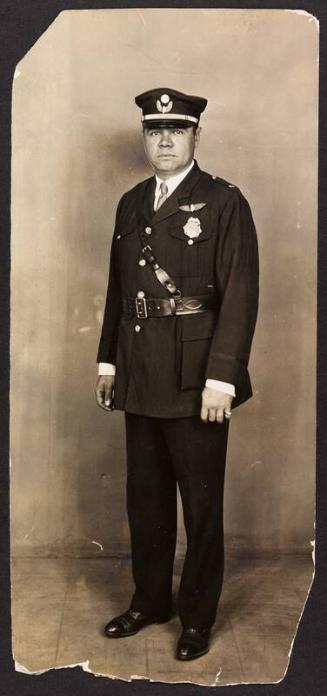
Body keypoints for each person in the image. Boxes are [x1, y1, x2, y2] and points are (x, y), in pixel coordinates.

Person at [95, 87, 259, 661]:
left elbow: (239, 294)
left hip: (196, 379)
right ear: (145, 137)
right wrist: (108, 360)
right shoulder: (132, 201)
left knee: (202, 506)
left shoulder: (222, 201)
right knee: (146, 500)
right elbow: (119, 290)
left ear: (195, 137)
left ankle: (195, 617)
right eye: (154, 131)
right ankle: (150, 601)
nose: (164, 141)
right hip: (140, 372)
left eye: (176, 131)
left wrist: (224, 377)